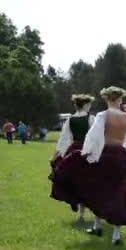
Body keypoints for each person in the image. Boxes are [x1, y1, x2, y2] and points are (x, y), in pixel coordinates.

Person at [51, 86, 126, 246]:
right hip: (120, 156)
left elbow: (94, 136)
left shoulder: (103, 115)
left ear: (107, 99)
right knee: (119, 192)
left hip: (105, 155)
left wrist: (88, 153)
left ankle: (98, 225)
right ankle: (116, 235)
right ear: (119, 100)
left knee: (98, 190)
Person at [49, 94, 95, 222]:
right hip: (86, 151)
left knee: (75, 181)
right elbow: (95, 137)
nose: (90, 106)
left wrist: (58, 154)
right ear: (85, 105)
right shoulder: (91, 119)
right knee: (87, 182)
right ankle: (81, 213)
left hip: (73, 150)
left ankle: (78, 207)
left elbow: (64, 139)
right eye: (89, 104)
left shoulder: (69, 120)